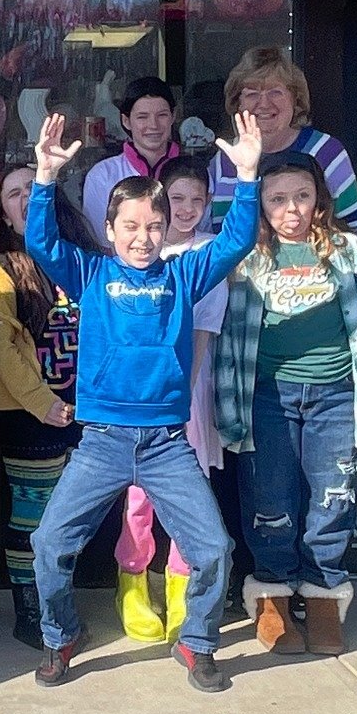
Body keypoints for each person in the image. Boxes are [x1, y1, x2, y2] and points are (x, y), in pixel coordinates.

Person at [25, 109, 264, 695]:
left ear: (168, 228)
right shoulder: (89, 272)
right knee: (50, 543)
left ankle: (197, 641)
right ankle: (61, 637)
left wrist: (251, 177)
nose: (143, 237)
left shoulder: (183, 276)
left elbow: (235, 241)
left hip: (165, 446)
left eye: (154, 226)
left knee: (212, 548)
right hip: (101, 444)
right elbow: (40, 239)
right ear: (110, 230)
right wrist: (44, 180)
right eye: (130, 226)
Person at [215, 152, 357, 658]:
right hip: (268, 396)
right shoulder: (245, 255)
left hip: (335, 394)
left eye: (302, 196)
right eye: (277, 199)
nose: (291, 210)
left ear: (319, 197)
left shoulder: (346, 250)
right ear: (260, 204)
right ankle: (274, 595)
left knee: (333, 496)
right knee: (270, 496)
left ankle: (324, 596)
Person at [113, 155, 228, 646]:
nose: (185, 209)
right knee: (138, 497)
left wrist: (179, 396)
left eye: (195, 200)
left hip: (188, 393)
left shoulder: (209, 256)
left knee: (188, 497)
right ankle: (133, 583)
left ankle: (182, 584)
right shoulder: (135, 254)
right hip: (139, 395)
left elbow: (202, 335)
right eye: (175, 199)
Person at [0, 161, 85, 649]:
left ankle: (60, 596)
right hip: (28, 416)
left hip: (87, 412)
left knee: (73, 513)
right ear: (4, 211)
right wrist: (42, 404)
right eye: (14, 192)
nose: (24, 198)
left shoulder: (79, 259)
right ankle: (31, 606)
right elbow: (1, 348)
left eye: (33, 189)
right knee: (32, 512)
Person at [207, 47, 357, 280]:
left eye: (276, 92)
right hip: (242, 294)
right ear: (237, 103)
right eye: (252, 93)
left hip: (318, 288)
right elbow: (209, 236)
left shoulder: (326, 153)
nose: (264, 103)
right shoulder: (224, 160)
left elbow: (354, 223)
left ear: (295, 99)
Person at [81, 77, 181, 247]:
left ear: (173, 116)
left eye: (162, 115)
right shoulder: (103, 175)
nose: (153, 125)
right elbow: (99, 242)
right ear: (126, 120)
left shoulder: (192, 171)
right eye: (142, 117)